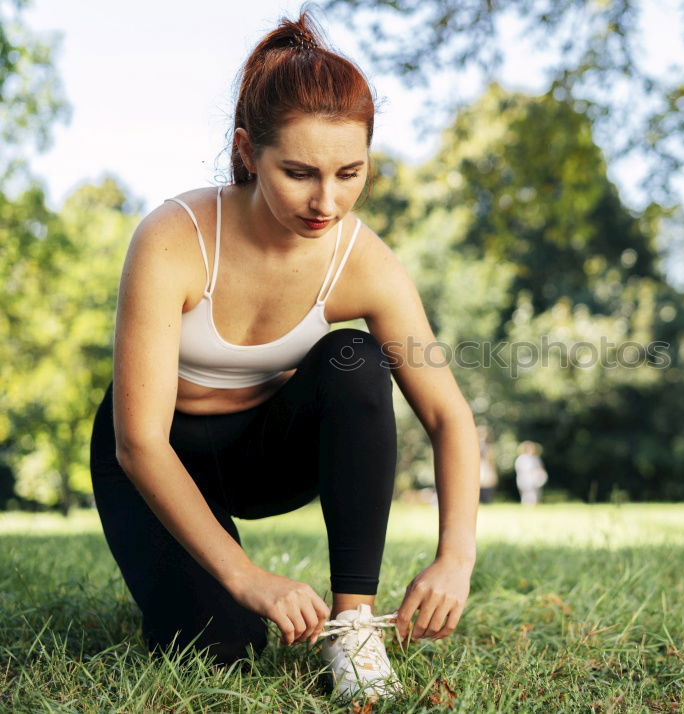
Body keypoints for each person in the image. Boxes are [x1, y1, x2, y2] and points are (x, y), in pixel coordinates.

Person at [88, 8, 479, 704]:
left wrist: (455, 557)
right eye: (298, 173)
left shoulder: (362, 261)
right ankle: (206, 591)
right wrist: (245, 576)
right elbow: (138, 442)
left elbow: (449, 415)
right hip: (161, 457)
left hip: (270, 452)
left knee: (355, 358)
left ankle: (353, 623)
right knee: (221, 646)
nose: (327, 200)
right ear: (247, 151)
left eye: (349, 172)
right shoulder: (174, 238)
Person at [514, 441, 548, 506]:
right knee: (528, 495)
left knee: (536, 495)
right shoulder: (521, 458)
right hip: (525, 479)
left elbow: (540, 469)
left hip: (535, 479)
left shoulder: (536, 458)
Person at [477, 424, 498, 504]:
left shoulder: (484, 444)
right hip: (483, 467)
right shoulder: (483, 445)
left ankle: (485, 500)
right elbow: (489, 458)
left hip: (484, 467)